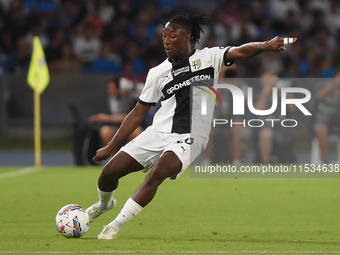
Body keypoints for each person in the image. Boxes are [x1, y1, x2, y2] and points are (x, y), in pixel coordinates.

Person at [85, 13, 295, 240]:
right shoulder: (157, 73)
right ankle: (103, 204)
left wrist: (266, 45)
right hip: (157, 132)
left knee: (157, 174)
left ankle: (114, 226)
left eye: (172, 36)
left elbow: (242, 50)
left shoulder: (210, 58)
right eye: (164, 36)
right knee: (109, 173)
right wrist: (111, 145)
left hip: (191, 136)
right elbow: (138, 113)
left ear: (188, 38)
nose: (166, 40)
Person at [89, 76, 142, 153]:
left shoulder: (132, 98)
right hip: (116, 127)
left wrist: (109, 118)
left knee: (135, 131)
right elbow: (108, 116)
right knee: (105, 131)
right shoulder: (111, 100)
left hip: (131, 126)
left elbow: (130, 117)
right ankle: (114, 159)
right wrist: (100, 118)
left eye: (111, 88)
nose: (109, 91)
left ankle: (138, 158)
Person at [313, 72, 340, 163]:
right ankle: (325, 161)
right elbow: (319, 96)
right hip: (324, 120)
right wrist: (333, 85)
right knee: (321, 129)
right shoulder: (324, 84)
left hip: (337, 121)